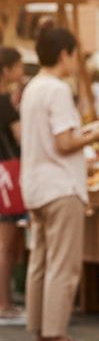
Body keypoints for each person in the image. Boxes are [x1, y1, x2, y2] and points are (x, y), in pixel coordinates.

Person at [20, 26, 99, 341]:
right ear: (65, 54)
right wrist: (95, 136)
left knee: (41, 263)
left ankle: (41, 335)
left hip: (35, 186)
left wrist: (85, 132)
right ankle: (59, 339)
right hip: (61, 186)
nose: (77, 62)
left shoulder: (32, 87)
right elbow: (64, 143)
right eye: (76, 54)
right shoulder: (58, 89)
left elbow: (56, 137)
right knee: (63, 265)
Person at [0, 46, 25, 323]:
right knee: (6, 244)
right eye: (18, 66)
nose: (21, 72)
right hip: (7, 173)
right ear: (6, 70)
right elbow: (21, 137)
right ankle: (4, 303)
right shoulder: (4, 101)